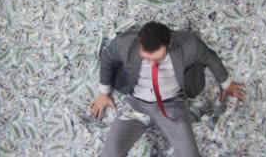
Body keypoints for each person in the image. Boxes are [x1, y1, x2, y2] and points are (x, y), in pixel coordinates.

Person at [90, 21, 246, 156]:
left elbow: (210, 57)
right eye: (146, 58)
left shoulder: (188, 44)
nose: (152, 64)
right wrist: (103, 92)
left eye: (157, 59)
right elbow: (107, 57)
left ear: (169, 44)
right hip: (135, 105)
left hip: (172, 105)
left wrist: (227, 84)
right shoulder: (124, 44)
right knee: (110, 153)